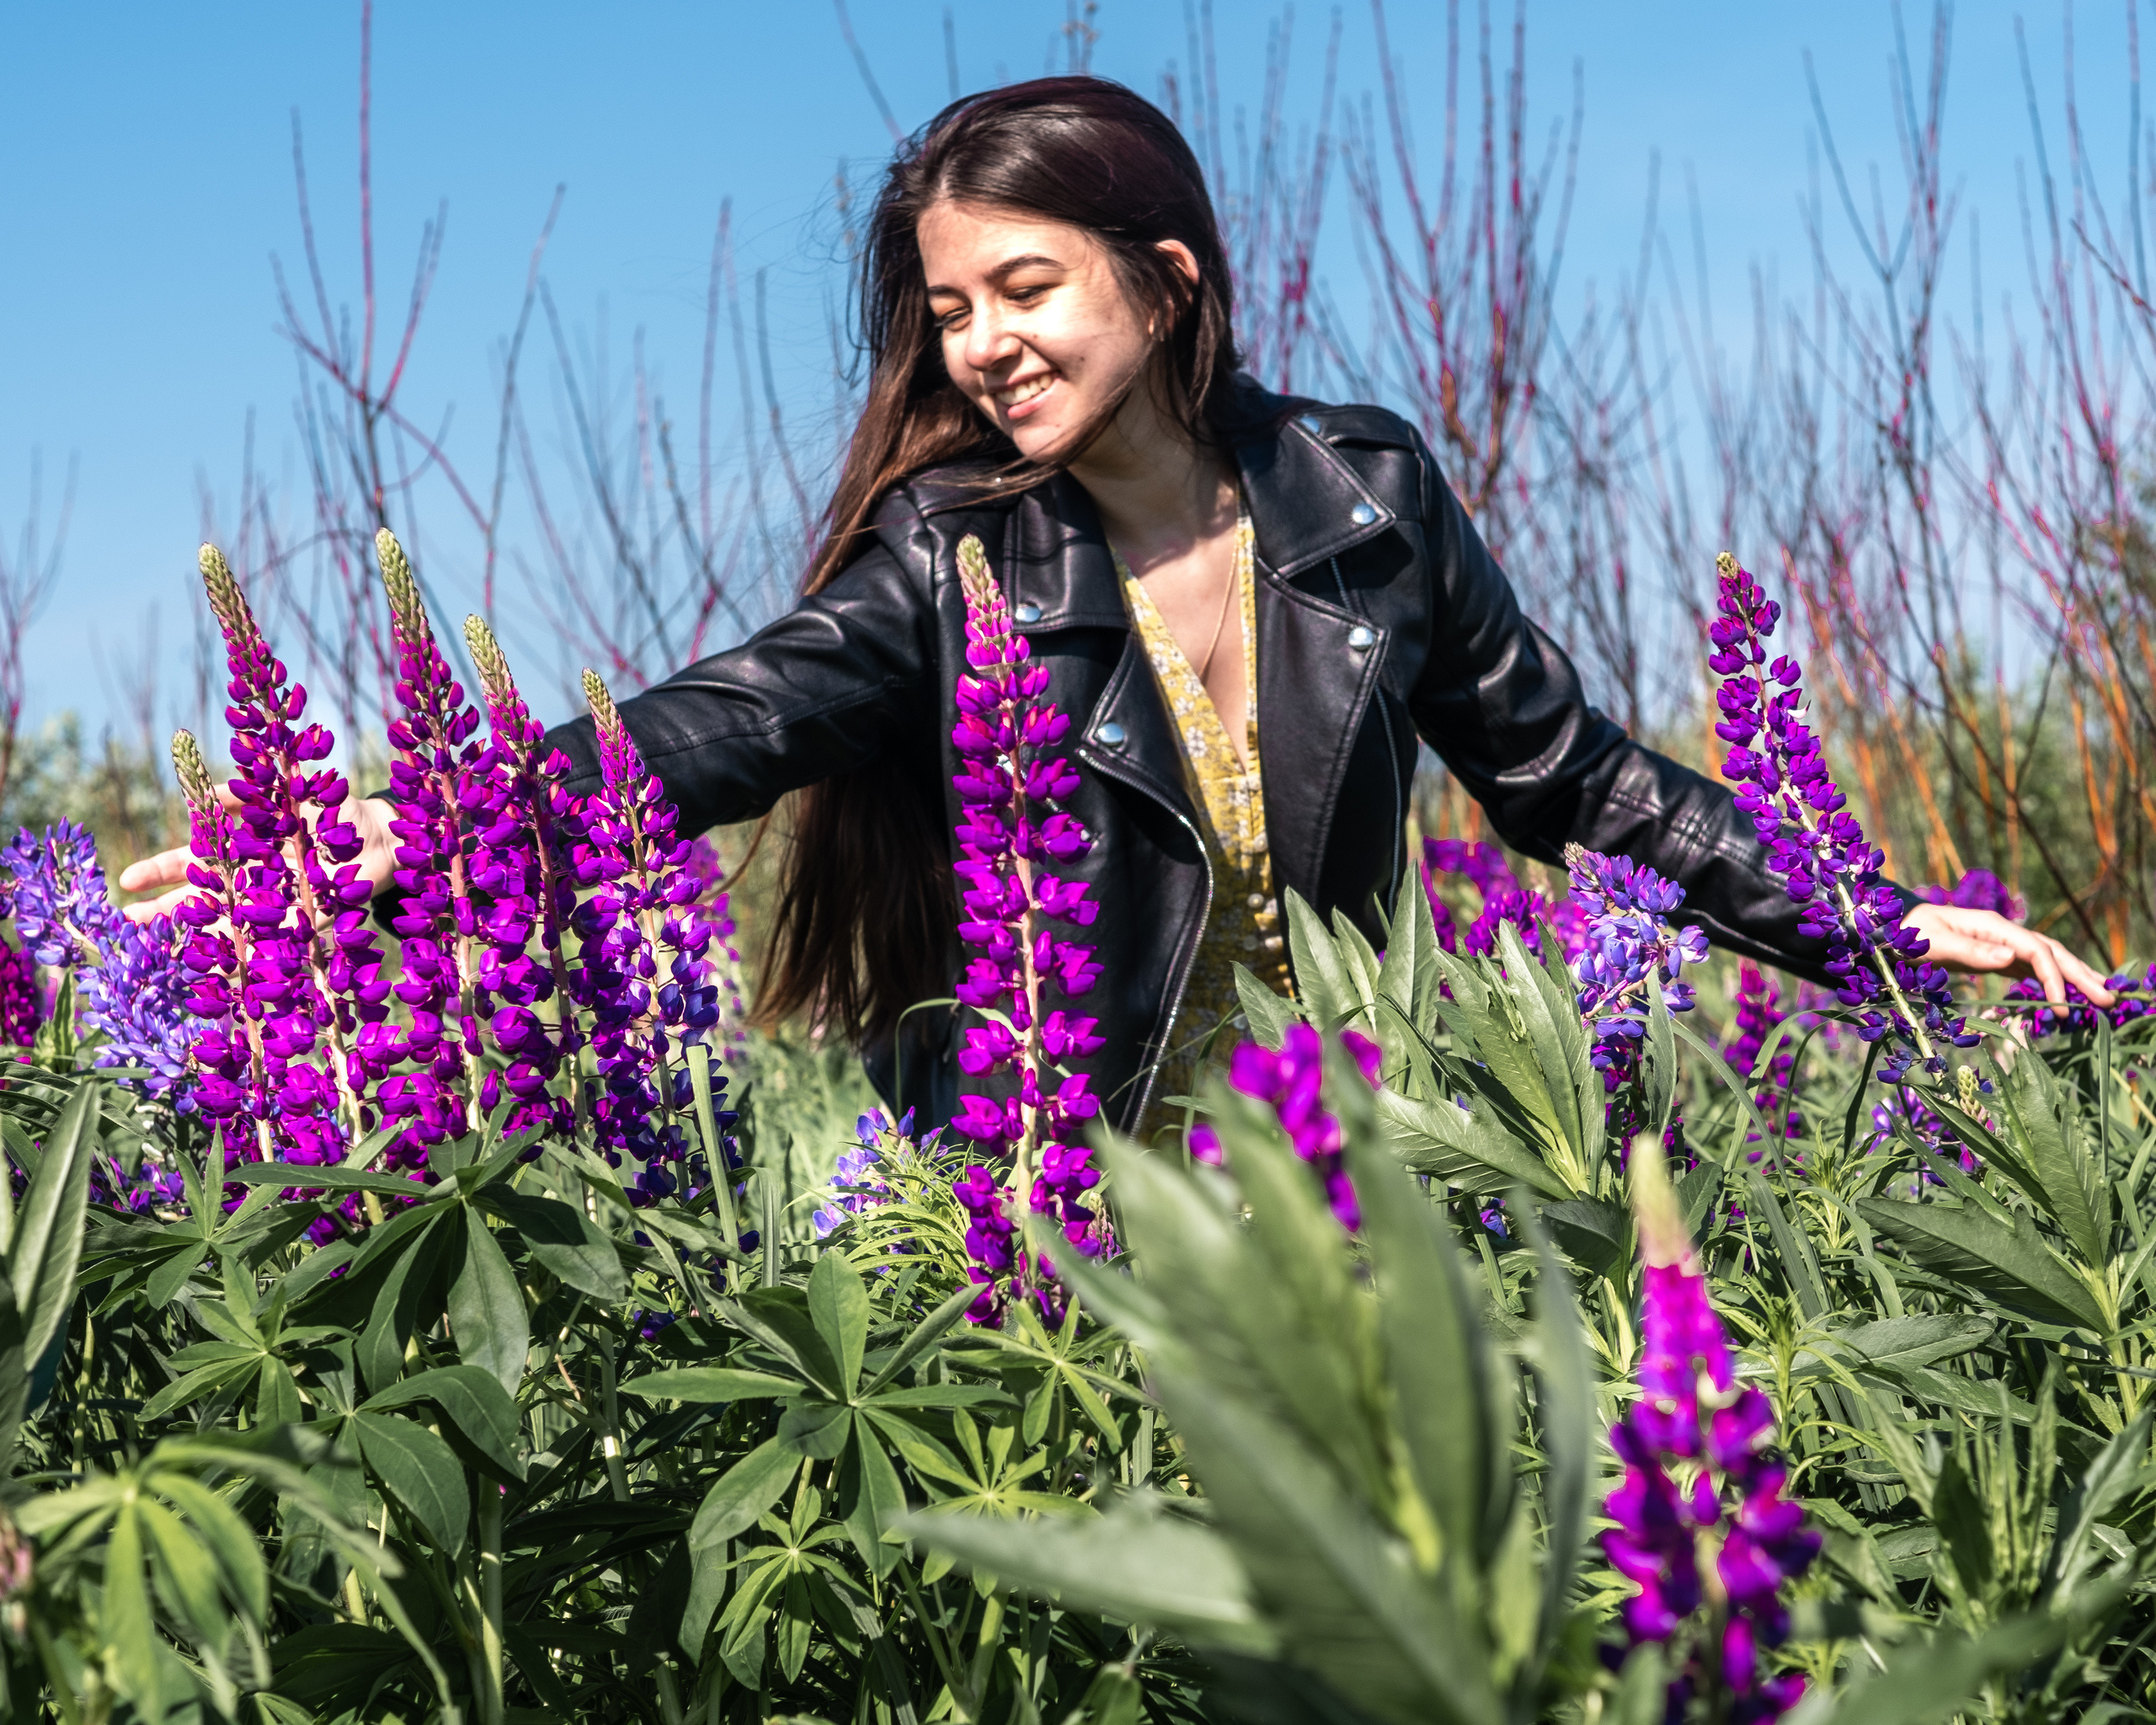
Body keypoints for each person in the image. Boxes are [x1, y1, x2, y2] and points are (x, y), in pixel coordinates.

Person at [121, 75, 2112, 1138]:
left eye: (1026, 289)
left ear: (1161, 277)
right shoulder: (954, 554)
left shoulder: (1365, 495)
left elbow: (1565, 775)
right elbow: (730, 718)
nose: (980, 346)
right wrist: (430, 818)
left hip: (1326, 1166)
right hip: (1026, 1188)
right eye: (948, 310)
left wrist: (1861, 931)